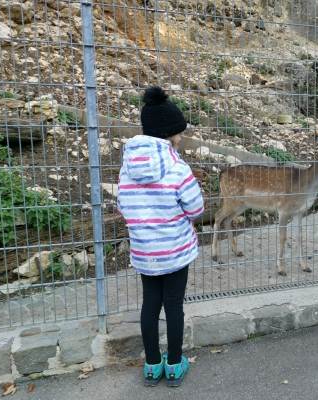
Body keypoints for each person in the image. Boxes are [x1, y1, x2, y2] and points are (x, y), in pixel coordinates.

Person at [117, 86, 204, 387]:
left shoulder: (127, 168)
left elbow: (123, 206)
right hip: (176, 249)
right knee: (174, 305)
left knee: (150, 304)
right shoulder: (178, 167)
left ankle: (152, 366)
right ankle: (175, 365)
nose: (181, 137)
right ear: (169, 133)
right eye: (179, 132)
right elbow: (196, 208)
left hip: (144, 250)